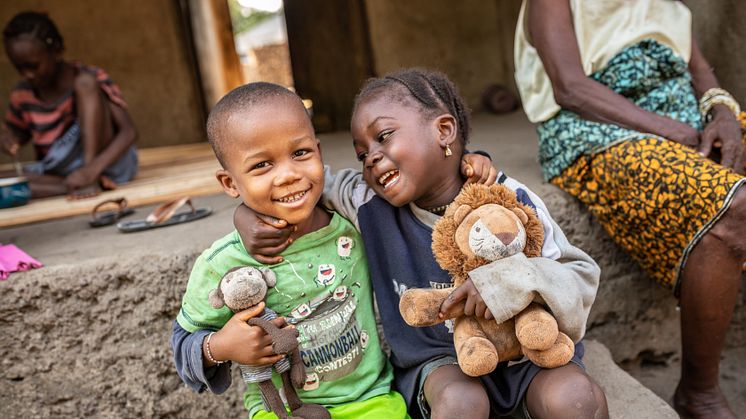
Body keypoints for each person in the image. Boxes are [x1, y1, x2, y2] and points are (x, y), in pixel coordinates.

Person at [235, 68, 609, 419]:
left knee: (575, 398)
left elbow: (579, 276)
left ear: (444, 130)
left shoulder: (508, 198)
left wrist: (506, 282)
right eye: (362, 153)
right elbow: (306, 182)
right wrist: (246, 211)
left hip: (530, 355)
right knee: (462, 402)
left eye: (383, 137)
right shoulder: (368, 203)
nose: (372, 158)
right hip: (440, 364)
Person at [513, 1, 746, 418]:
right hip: (596, 134)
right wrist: (677, 133)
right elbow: (570, 87)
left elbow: (703, 75)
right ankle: (700, 391)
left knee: (729, 194)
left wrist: (724, 115)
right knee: (737, 205)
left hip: (687, 126)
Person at [171, 82, 416, 418]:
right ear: (230, 183)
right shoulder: (224, 263)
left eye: (300, 153)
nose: (288, 175)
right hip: (280, 411)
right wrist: (222, 346)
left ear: (318, 151)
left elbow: (422, 182)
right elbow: (183, 346)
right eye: (261, 165)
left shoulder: (354, 223)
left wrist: (472, 161)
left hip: (372, 401)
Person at [1, 11, 137, 199]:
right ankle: (72, 186)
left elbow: (128, 132)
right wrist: (6, 138)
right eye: (19, 68)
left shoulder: (89, 77)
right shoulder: (22, 95)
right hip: (61, 173)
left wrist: (91, 170)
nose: (27, 75)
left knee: (86, 83)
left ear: (56, 50)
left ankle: (90, 177)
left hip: (105, 163)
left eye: (33, 66)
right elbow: (16, 138)